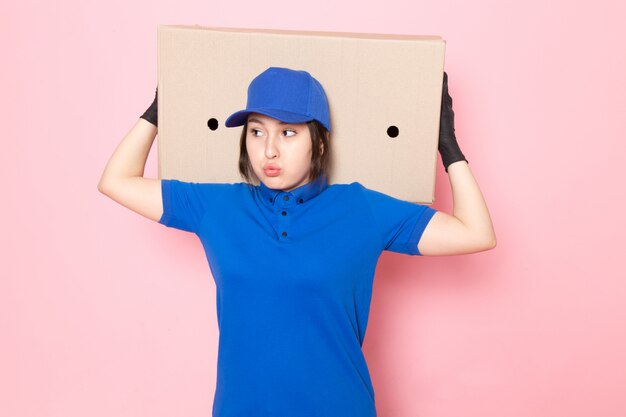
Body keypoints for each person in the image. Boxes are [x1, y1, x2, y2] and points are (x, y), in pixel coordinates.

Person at [98, 66, 496, 417]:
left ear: (319, 143)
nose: (269, 150)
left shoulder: (361, 209)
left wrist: (448, 148)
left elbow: (475, 232)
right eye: (257, 132)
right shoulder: (217, 205)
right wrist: (155, 113)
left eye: (288, 132)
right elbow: (115, 181)